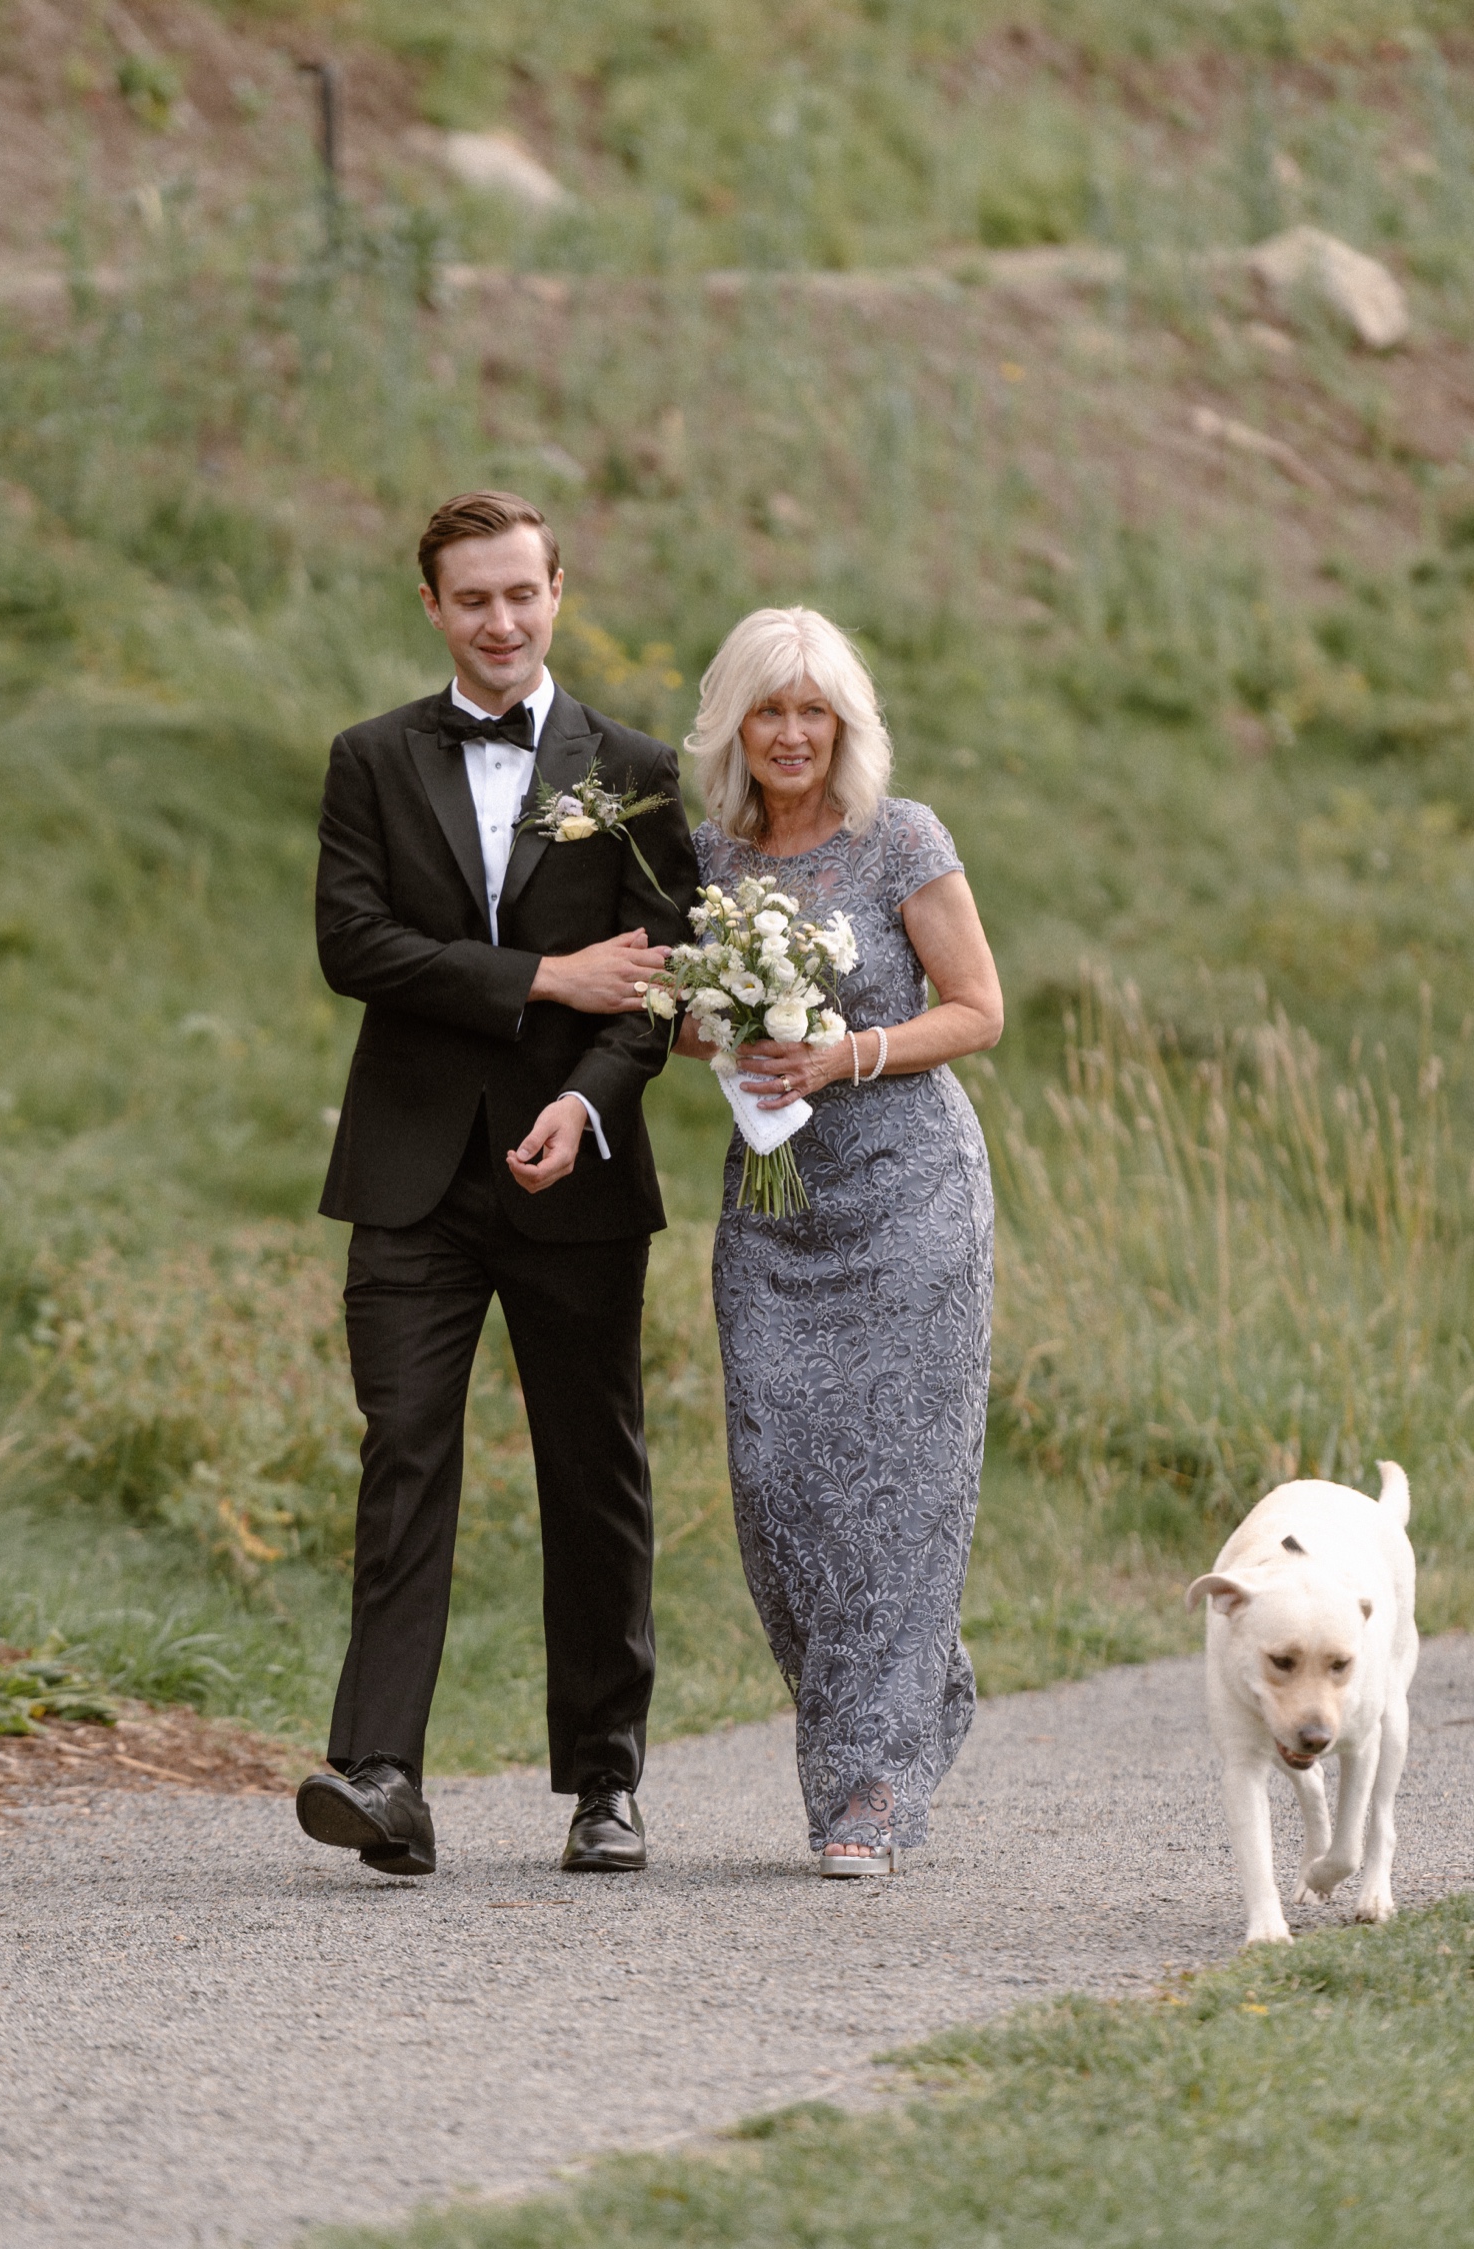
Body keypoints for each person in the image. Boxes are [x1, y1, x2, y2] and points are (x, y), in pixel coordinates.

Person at [295, 490, 697, 1879]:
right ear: (433, 608)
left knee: (598, 1472)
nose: (501, 621)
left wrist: (588, 1096)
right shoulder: (369, 759)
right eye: (473, 599)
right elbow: (354, 942)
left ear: (557, 591)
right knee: (404, 1456)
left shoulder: (634, 767)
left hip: (575, 1176)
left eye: (521, 594)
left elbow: (660, 990)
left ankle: (605, 1782)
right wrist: (538, 976)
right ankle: (382, 1776)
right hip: (409, 1176)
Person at [675, 607, 1002, 1875]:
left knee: (900, 1491)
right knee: (776, 1482)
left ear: (847, 723)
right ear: (738, 726)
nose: (794, 732)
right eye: (771, 710)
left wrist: (845, 1047)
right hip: (774, 1196)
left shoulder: (900, 837)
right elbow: (691, 1025)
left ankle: (867, 1785)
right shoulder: (710, 853)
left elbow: (978, 1009)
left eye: (815, 710)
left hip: (911, 1187)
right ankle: (921, 1688)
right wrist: (720, 1016)